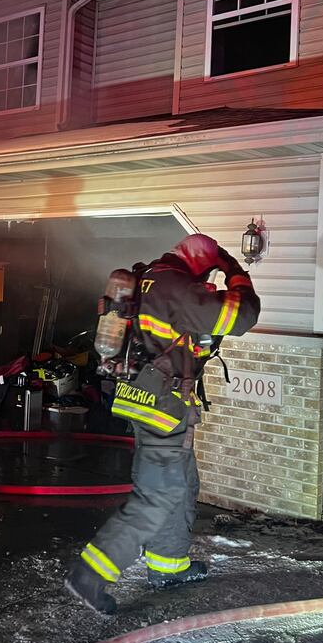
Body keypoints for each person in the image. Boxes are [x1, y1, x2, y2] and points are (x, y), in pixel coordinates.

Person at [64, 233, 260, 614]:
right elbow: (242, 315)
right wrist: (236, 272)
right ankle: (89, 575)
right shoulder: (176, 287)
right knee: (156, 497)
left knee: (181, 484)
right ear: (199, 262)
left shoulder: (145, 278)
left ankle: (169, 566)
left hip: (144, 399)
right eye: (208, 269)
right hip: (162, 407)